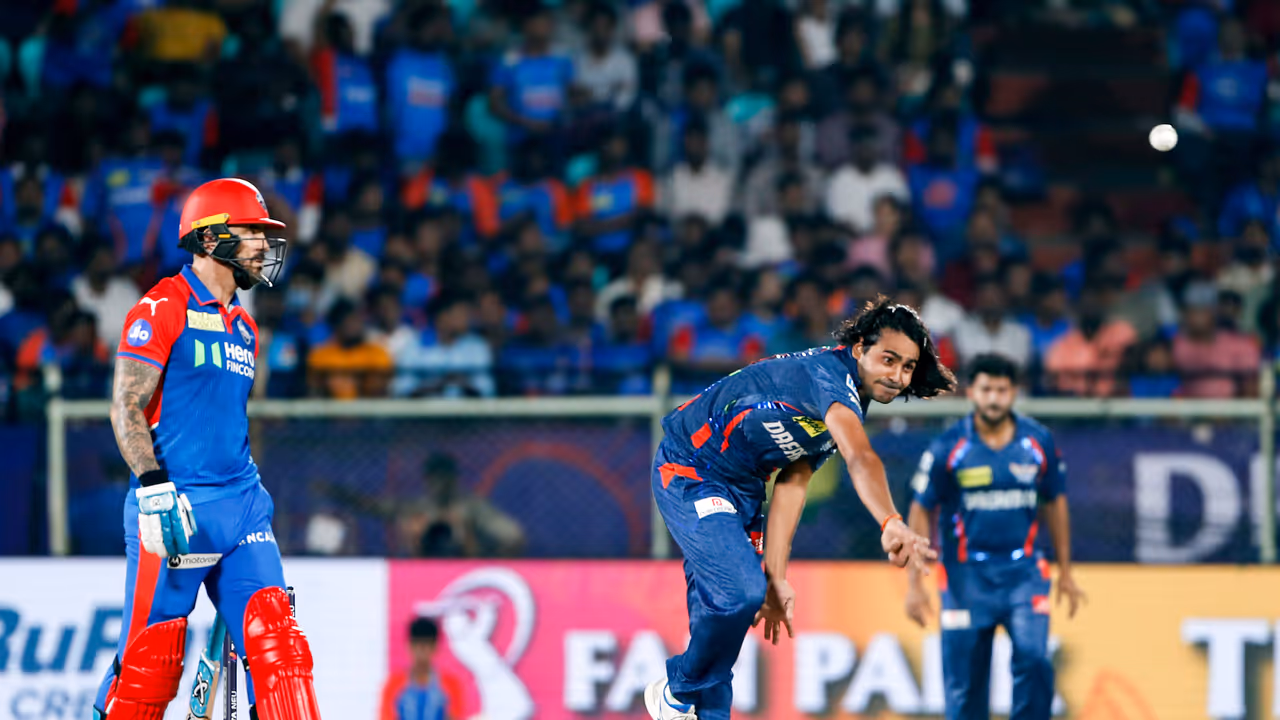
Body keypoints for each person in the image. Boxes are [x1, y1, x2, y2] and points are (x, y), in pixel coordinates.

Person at [644, 295, 955, 720]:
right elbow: (860, 457)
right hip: (692, 468)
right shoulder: (828, 378)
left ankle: (693, 707)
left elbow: (793, 480)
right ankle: (676, 687)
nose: (898, 376)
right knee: (740, 594)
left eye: (907, 367)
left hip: (744, 487)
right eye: (889, 360)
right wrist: (891, 521)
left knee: (730, 611)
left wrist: (776, 575)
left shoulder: (850, 399)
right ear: (860, 347)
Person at [93, 178, 321, 720]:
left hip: (241, 508)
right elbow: (125, 405)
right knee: (148, 671)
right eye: (253, 233)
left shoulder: (245, 326)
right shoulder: (161, 306)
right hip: (175, 510)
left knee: (281, 651)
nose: (264, 246)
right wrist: (152, 486)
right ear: (211, 237)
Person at [904, 353, 1086, 720]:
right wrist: (914, 583)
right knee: (966, 688)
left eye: (1002, 390)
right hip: (964, 578)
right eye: (986, 389)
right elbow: (920, 508)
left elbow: (1056, 502)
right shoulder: (949, 446)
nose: (994, 398)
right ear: (972, 392)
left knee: (1035, 662)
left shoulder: (1038, 442)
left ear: (1014, 392)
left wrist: (1065, 571)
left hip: (1025, 573)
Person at [379, 616, 465, 720]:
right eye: (417, 645)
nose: (421, 651)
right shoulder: (393, 684)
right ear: (409, 646)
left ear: (435, 647)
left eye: (426, 645)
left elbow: (455, 716)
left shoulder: (451, 685)